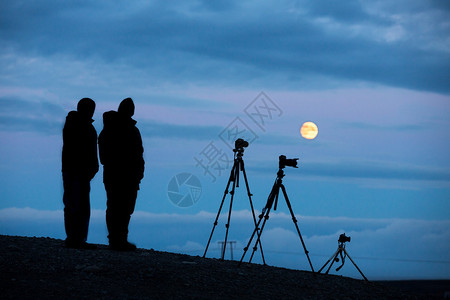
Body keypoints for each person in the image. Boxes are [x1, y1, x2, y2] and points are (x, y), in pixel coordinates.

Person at [98, 98, 145, 251]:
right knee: (115, 207)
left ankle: (120, 239)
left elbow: (139, 154)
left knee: (124, 208)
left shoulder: (132, 130)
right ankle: (115, 240)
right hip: (117, 175)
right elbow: (105, 156)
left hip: (130, 177)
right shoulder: (111, 129)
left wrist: (139, 172)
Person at [61, 98, 99, 249]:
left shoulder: (77, 124)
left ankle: (75, 238)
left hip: (75, 171)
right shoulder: (80, 125)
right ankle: (76, 238)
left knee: (74, 204)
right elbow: (82, 150)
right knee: (78, 205)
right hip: (77, 171)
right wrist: (89, 169)